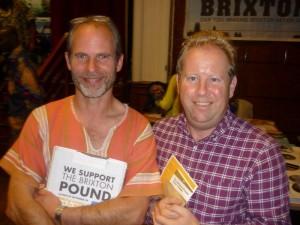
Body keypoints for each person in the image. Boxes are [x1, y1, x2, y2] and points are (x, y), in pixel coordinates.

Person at [0, 15, 163, 225]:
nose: (91, 68)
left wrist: (60, 212)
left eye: (103, 56)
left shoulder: (139, 129)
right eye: (82, 56)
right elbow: (16, 203)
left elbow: (133, 214)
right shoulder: (42, 120)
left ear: (119, 62)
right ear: (68, 61)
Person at [146, 30, 291, 224]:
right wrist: (154, 208)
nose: (202, 90)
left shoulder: (262, 153)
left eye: (214, 79)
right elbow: (141, 194)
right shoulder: (159, 134)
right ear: (179, 84)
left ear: (231, 86)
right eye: (192, 78)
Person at [0, 25, 44, 142]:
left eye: (2, 39)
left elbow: (35, 94)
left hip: (22, 119)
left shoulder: (22, 63)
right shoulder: (12, 59)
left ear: (13, 38)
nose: (0, 43)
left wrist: (29, 119)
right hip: (17, 115)